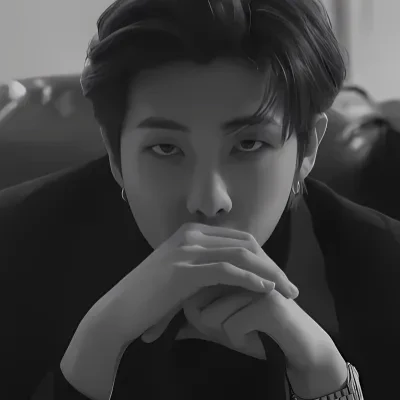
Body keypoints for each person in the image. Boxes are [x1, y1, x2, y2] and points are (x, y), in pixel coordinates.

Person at [1, 0, 399, 399]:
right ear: (115, 155)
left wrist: (327, 379)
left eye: (248, 144)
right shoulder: (14, 247)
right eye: (166, 148)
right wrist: (93, 350)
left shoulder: (385, 267)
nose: (208, 200)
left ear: (308, 147)